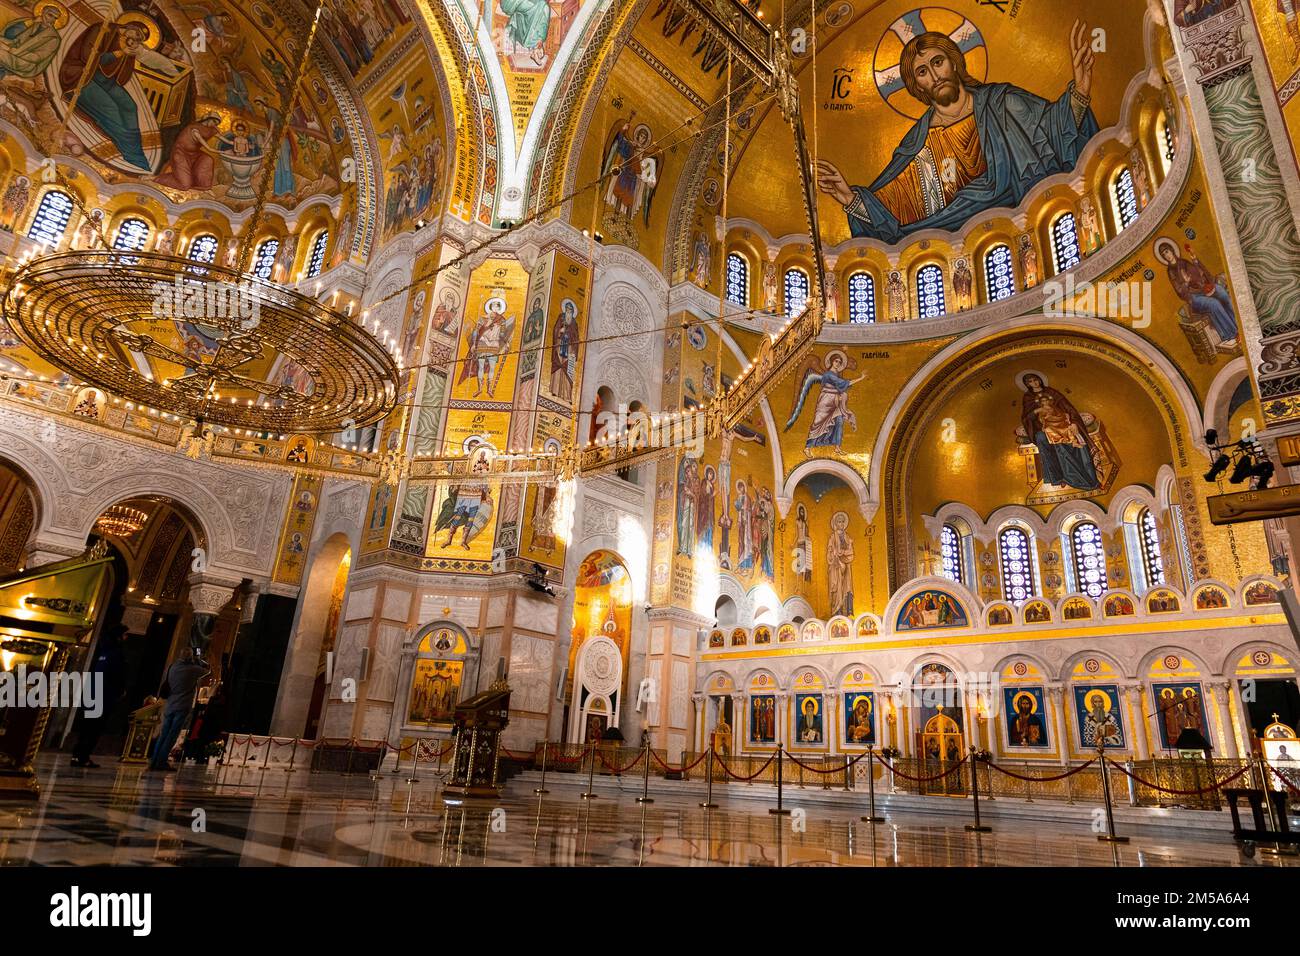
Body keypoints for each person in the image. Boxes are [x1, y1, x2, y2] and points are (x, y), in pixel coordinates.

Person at [70, 623, 126, 768]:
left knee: (86, 727)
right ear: (119, 637)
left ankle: (77, 756)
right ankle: (83, 757)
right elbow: (117, 675)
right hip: (104, 696)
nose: (126, 638)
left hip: (92, 693)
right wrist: (120, 691)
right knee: (94, 729)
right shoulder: (116, 653)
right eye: (125, 635)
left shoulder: (103, 651)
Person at [149, 648, 211, 771]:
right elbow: (208, 670)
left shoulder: (172, 667)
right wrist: (199, 660)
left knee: (163, 734)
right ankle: (161, 762)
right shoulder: (193, 669)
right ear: (190, 657)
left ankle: (154, 760)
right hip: (182, 706)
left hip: (170, 704)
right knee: (172, 735)